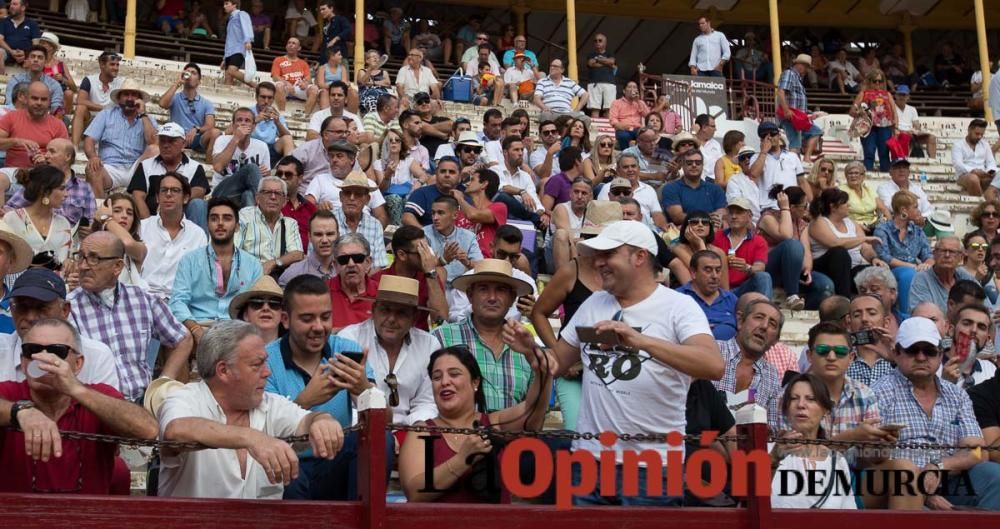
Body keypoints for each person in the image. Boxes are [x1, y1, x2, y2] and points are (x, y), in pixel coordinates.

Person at [507, 220, 723, 504]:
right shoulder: (594, 303)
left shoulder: (678, 306)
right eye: (597, 256)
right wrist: (530, 350)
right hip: (587, 461)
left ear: (640, 257)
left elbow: (713, 365)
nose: (598, 263)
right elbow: (556, 364)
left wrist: (640, 341)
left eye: (608, 254)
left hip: (651, 467)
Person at [158, 320, 347, 499]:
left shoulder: (269, 404)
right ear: (223, 371)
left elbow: (306, 420)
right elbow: (176, 430)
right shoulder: (185, 398)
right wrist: (251, 438)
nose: (267, 372)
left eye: (266, 362)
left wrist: (322, 420)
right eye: (257, 365)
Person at [0, 318, 158, 493]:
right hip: (17, 517)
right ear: (23, 362)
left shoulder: (97, 396)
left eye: (57, 351)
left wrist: (76, 388)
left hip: (87, 517)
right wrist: (20, 412)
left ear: (78, 363)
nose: (43, 360)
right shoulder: (9, 393)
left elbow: (147, 430)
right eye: (32, 351)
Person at [869, 316, 1000, 510]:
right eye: (913, 350)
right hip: (900, 484)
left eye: (929, 351)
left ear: (940, 355)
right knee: (905, 480)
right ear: (896, 353)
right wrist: (922, 491)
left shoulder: (956, 394)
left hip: (950, 478)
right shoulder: (878, 392)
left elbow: (978, 451)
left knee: (994, 476)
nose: (921, 357)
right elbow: (872, 455)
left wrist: (939, 467)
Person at [398, 343, 553, 503]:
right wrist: (463, 459)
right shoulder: (421, 431)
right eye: (437, 377)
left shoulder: (494, 423)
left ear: (475, 382)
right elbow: (414, 492)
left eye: (454, 374)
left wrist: (543, 372)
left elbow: (533, 412)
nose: (444, 382)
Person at [67, 231, 192, 402]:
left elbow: (183, 339)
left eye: (94, 258)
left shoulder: (142, 299)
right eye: (81, 257)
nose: (83, 266)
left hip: (141, 404)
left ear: (117, 267)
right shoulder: (68, 307)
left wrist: (163, 382)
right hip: (96, 406)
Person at [433, 259, 535, 411]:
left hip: (512, 434)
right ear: (470, 295)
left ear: (512, 298)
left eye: (500, 290)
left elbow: (535, 410)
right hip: (456, 433)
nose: (492, 297)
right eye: (483, 289)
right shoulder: (442, 338)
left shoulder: (525, 346)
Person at [339, 275, 440, 427]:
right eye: (385, 310)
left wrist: (411, 431)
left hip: (411, 430)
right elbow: (343, 405)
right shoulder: (349, 339)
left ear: (414, 318)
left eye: (401, 313)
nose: (392, 319)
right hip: (360, 430)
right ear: (373, 310)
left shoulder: (429, 345)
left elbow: (427, 402)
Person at [0, 269, 119, 388]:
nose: (30, 317)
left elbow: (109, 405)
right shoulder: (2, 350)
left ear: (65, 310)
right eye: (22, 307)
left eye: (41, 307)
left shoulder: (96, 355)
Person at [169, 197, 264, 340]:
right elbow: (177, 301)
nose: (220, 223)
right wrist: (195, 329)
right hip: (199, 324)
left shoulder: (253, 264)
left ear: (237, 226)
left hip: (236, 329)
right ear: (207, 224)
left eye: (227, 218)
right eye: (214, 219)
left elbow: (256, 305)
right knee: (180, 337)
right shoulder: (190, 260)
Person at [769, 373, 857, 510]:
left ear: (826, 410)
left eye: (810, 399)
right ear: (785, 409)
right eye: (793, 398)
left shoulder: (838, 461)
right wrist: (773, 458)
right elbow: (743, 492)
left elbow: (849, 514)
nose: (801, 405)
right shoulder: (766, 449)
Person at [802, 321, 886, 443]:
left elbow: (872, 458)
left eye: (840, 351)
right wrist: (852, 436)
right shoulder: (790, 397)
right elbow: (793, 455)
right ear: (809, 356)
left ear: (851, 358)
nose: (831, 357)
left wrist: (881, 444)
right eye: (822, 350)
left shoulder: (865, 395)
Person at [138, 172, 208, 301]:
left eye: (175, 190)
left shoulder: (197, 235)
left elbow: (200, 278)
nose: (169, 194)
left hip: (178, 301)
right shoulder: (142, 228)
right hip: (142, 298)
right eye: (164, 190)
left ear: (186, 198)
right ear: (157, 197)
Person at [83, 79, 159, 199]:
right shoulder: (106, 115)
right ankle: (101, 210)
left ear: (140, 99)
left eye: (134, 95)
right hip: (109, 167)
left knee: (154, 149)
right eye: (126, 94)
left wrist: (143, 115)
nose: (130, 98)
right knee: (91, 169)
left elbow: (154, 143)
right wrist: (93, 157)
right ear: (119, 99)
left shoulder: (148, 118)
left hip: (136, 168)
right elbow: (89, 140)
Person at [808, 188, 884, 298]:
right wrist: (863, 239)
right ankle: (844, 299)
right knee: (839, 252)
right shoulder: (819, 222)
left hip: (851, 270)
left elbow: (865, 247)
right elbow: (835, 243)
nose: (849, 206)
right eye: (845, 203)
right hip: (826, 268)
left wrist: (874, 259)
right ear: (833, 207)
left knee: (875, 272)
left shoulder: (851, 223)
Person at [127, 122, 210, 222]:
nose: (166, 145)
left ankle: (196, 237)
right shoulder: (145, 165)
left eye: (171, 141)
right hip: (151, 218)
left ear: (183, 143)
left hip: (183, 220)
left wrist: (171, 203)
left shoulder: (194, 167)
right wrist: (149, 224)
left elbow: (199, 192)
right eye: (162, 141)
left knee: (198, 204)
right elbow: (137, 197)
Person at [373, 226, 448, 330]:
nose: (427, 256)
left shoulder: (430, 277)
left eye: (427, 249)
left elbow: (441, 319)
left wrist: (431, 273)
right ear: (402, 255)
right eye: (421, 252)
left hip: (418, 339)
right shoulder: (378, 280)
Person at [873, 190, 934, 315]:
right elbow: (885, 257)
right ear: (903, 210)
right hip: (889, 270)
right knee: (908, 274)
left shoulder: (917, 231)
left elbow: (928, 254)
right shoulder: (883, 229)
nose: (919, 211)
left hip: (914, 269)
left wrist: (927, 264)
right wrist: (912, 266)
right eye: (915, 207)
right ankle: (906, 314)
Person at [3, 165, 72, 270]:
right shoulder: (12, 219)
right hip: (19, 283)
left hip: (54, 283)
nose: (66, 194)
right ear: (44, 191)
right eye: (61, 189)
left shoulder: (63, 223)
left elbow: (64, 262)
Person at [307, 140, 390, 227]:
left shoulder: (368, 183)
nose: (334, 160)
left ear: (352, 160)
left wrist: (374, 233)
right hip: (329, 231)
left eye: (339, 156)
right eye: (331, 156)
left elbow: (381, 216)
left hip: (364, 230)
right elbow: (306, 207)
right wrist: (317, 207)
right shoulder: (320, 180)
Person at [236, 176, 305, 277]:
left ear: (285, 201)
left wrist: (273, 263)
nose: (273, 197)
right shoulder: (244, 217)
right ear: (257, 198)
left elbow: (298, 254)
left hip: (278, 279)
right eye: (267, 192)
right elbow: (233, 252)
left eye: (277, 193)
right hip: (247, 277)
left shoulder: (290, 223)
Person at [158, 63, 221, 162]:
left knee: (216, 133)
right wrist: (178, 82)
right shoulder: (175, 97)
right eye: (188, 72)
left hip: (195, 138)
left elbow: (210, 125)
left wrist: (196, 129)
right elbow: (162, 103)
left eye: (193, 73)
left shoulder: (206, 103)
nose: (190, 75)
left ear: (199, 81)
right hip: (176, 137)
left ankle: (209, 168)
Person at [713, 197, 772, 298]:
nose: (734, 216)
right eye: (731, 213)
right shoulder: (716, 236)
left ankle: (764, 309)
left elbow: (760, 267)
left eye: (739, 212)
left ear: (749, 216)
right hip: (718, 288)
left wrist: (747, 268)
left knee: (763, 276)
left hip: (742, 288)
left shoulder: (759, 241)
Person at [0, 80, 66, 171]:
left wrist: (47, 159)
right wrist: (16, 141)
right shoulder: (11, 117)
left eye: (43, 99)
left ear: (49, 101)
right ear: (26, 99)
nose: (39, 103)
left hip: (44, 173)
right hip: (13, 172)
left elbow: (65, 156)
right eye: (35, 98)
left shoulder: (58, 125)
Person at [211, 107, 270, 209]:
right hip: (222, 193)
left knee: (248, 194)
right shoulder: (222, 140)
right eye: (239, 120)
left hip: (248, 194)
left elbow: (266, 177)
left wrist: (260, 173)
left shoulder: (262, 146)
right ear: (233, 126)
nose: (243, 123)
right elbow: (218, 166)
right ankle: (265, 208)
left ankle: (252, 222)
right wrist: (236, 138)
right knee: (252, 168)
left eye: (247, 121)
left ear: (254, 126)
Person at [597, 153, 670, 231]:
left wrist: (666, 228)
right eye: (625, 167)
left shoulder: (648, 189)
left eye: (633, 166)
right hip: (616, 230)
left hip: (645, 231)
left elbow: (657, 214)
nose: (630, 170)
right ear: (618, 170)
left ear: (638, 168)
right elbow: (601, 216)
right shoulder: (608, 188)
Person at [677, 250, 737, 340]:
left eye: (718, 270)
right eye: (708, 270)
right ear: (693, 272)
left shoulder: (731, 299)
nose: (715, 276)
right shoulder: (678, 298)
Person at [333, 172, 388, 270]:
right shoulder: (329, 221)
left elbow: (378, 266)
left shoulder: (375, 225)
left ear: (367, 199)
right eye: (347, 193)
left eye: (358, 194)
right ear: (341, 196)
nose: (352, 198)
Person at [909, 236, 978, 313]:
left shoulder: (964, 276)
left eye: (952, 252)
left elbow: (984, 304)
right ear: (934, 254)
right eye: (943, 251)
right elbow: (924, 316)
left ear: (961, 257)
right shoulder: (921, 279)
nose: (947, 255)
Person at [749, 122, 809, 211]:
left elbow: (802, 182)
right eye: (764, 135)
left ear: (779, 135)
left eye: (772, 134)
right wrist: (764, 152)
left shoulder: (792, 156)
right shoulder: (756, 157)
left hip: (793, 206)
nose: (769, 137)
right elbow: (754, 175)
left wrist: (810, 204)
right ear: (761, 139)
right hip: (769, 207)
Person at [70, 51, 122, 148]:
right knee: (80, 108)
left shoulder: (122, 82)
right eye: (112, 64)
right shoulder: (89, 80)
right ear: (102, 65)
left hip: (110, 122)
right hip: (90, 120)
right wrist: (103, 108)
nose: (116, 68)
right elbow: (80, 101)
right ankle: (74, 146)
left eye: (117, 65)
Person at [661, 150, 727, 226]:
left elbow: (722, 212)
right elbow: (677, 217)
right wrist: (706, 218)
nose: (694, 165)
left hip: (713, 230)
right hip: (684, 232)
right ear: (682, 165)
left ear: (703, 165)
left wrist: (713, 219)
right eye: (689, 163)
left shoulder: (715, 189)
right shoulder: (671, 188)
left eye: (698, 163)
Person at [328, 233, 378, 331]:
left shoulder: (382, 295)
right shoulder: (322, 292)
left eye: (357, 258)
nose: (351, 264)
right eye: (344, 259)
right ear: (335, 265)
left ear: (368, 262)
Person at [776, 54, 823, 159]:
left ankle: (806, 158)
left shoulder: (796, 78)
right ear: (800, 65)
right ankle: (795, 165)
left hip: (798, 116)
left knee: (815, 132)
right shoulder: (790, 74)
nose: (806, 70)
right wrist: (786, 110)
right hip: (792, 115)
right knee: (795, 142)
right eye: (806, 67)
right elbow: (781, 91)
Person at [940, 303, 997, 388]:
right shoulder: (933, 367)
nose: (974, 330)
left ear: (988, 338)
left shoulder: (991, 370)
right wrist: (944, 383)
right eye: (967, 323)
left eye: (981, 327)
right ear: (951, 330)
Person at [455, 168, 506, 259]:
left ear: (484, 184)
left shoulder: (499, 207)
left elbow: (473, 215)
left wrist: (460, 199)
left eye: (472, 179)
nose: (467, 183)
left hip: (488, 263)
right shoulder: (460, 213)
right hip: (463, 263)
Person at [851, 69, 897, 172]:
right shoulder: (863, 94)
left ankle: (886, 176)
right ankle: (867, 176)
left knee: (884, 154)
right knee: (869, 153)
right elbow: (852, 111)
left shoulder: (887, 94)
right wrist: (860, 112)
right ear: (869, 81)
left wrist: (896, 128)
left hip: (885, 127)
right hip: (868, 127)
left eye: (880, 81)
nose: (877, 83)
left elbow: (894, 112)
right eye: (874, 81)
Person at [3, 45, 61, 115]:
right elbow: (9, 103)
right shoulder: (15, 80)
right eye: (33, 56)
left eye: (40, 57)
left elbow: (56, 108)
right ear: (27, 60)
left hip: (42, 119)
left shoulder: (54, 85)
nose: (36, 60)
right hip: (17, 117)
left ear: (45, 62)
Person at [271, 37, 319, 114]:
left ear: (299, 48)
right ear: (286, 46)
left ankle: (306, 116)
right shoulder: (278, 60)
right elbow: (275, 77)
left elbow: (308, 78)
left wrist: (305, 83)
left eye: (293, 43)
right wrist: (286, 83)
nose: (290, 45)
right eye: (289, 43)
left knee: (314, 89)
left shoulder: (303, 63)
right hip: (284, 86)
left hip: (298, 87)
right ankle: (282, 114)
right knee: (279, 86)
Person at [875, 159, 932, 223]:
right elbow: (892, 207)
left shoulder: (917, 189)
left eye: (904, 167)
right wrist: (914, 216)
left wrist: (921, 218)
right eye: (898, 168)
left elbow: (928, 209)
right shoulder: (883, 188)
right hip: (896, 224)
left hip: (919, 224)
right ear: (890, 172)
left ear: (909, 172)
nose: (901, 170)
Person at [533, 59, 589, 124]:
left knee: (586, 119)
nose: (552, 68)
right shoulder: (542, 81)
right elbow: (536, 98)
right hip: (551, 112)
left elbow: (585, 94)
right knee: (545, 116)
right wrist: (544, 107)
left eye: (555, 66)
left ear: (562, 70)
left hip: (567, 113)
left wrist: (576, 110)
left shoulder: (569, 82)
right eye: (551, 66)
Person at [250, 83, 295, 162]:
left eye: (270, 98)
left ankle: (287, 169)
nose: (266, 101)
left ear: (273, 99)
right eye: (263, 97)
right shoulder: (247, 112)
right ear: (256, 97)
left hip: (269, 150)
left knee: (287, 139)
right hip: (249, 147)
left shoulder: (277, 115)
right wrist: (255, 121)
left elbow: (287, 136)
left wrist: (277, 122)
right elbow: (229, 132)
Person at [840, 161, 890, 231]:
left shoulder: (868, 189)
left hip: (873, 225)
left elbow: (883, 209)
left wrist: (891, 225)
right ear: (846, 176)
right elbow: (839, 215)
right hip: (852, 226)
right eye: (850, 173)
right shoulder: (841, 191)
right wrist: (856, 225)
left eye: (856, 173)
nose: (853, 176)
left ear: (863, 176)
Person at [893, 85, 937, 158]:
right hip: (897, 133)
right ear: (896, 95)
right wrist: (904, 131)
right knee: (906, 135)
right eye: (900, 94)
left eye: (904, 95)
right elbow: (892, 125)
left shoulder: (912, 109)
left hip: (911, 134)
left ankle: (932, 161)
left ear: (908, 97)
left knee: (932, 137)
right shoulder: (892, 107)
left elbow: (916, 125)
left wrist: (917, 131)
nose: (902, 97)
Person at [0, 0, 40, 75]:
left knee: (36, 58)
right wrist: (11, 51)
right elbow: (0, 40)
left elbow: (36, 45)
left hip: (25, 55)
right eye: (11, 4)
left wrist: (26, 54)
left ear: (23, 7)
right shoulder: (4, 21)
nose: (11, 6)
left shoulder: (32, 23)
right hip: (8, 53)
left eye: (14, 4)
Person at [221, 0, 254, 87]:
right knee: (227, 78)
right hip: (229, 51)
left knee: (232, 71)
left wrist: (248, 40)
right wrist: (224, 58)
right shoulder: (230, 19)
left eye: (226, 4)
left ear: (234, 5)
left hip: (238, 49)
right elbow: (229, 40)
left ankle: (257, 86)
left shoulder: (241, 14)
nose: (224, 6)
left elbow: (246, 26)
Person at [586, 34, 616, 118]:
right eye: (595, 41)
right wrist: (605, 62)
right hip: (594, 83)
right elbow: (590, 63)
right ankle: (595, 131)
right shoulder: (591, 54)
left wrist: (598, 60)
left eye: (600, 40)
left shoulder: (610, 53)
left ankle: (608, 130)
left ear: (605, 43)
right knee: (594, 109)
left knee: (609, 109)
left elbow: (612, 62)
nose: (597, 42)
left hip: (609, 83)